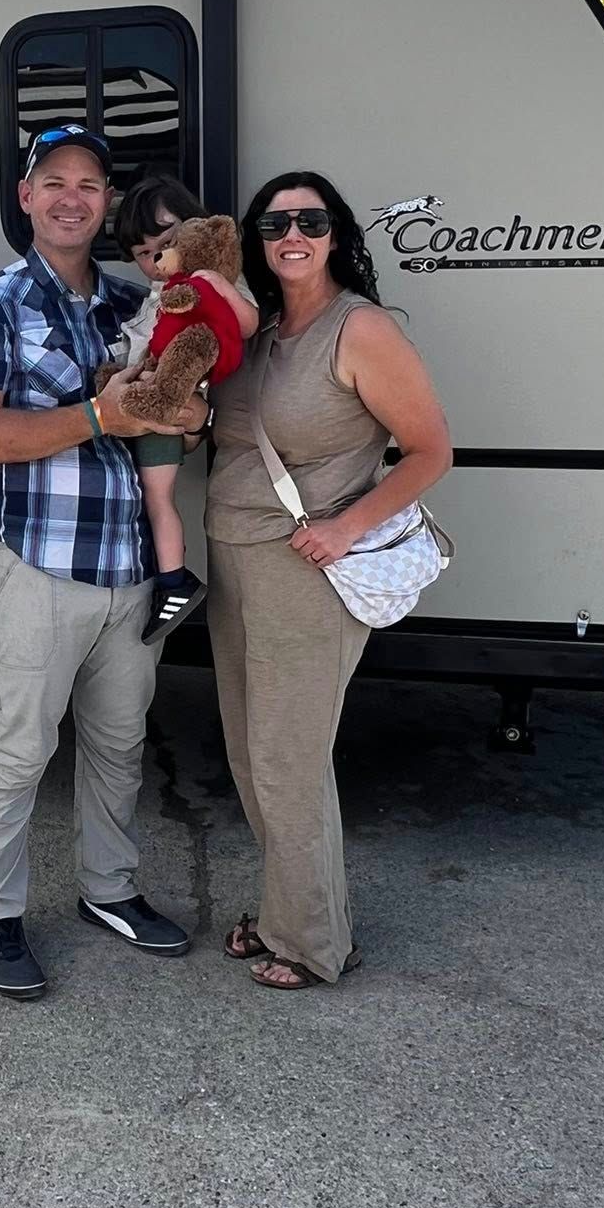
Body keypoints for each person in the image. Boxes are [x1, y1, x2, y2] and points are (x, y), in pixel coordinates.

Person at [0, 124, 206, 999]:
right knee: (18, 749)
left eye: (89, 185)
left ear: (104, 203)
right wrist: (103, 419)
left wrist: (190, 413)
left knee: (119, 745)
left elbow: (186, 411)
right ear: (25, 197)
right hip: (39, 567)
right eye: (53, 181)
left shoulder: (135, 302)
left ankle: (110, 891)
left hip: (131, 569)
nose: (71, 197)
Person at [205, 171, 452, 991]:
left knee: (288, 759)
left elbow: (430, 451)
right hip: (235, 558)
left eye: (310, 220)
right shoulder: (265, 328)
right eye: (276, 224)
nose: (292, 234)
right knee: (249, 752)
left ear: (337, 233)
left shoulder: (361, 330)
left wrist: (346, 527)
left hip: (304, 575)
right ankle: (288, 911)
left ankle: (313, 943)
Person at [111, 171, 259, 642]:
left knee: (157, 498)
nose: (156, 259)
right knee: (146, 498)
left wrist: (216, 282)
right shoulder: (157, 295)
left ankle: (175, 582)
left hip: (166, 409)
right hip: (150, 400)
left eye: (167, 241)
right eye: (142, 253)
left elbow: (249, 325)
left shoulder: (211, 284)